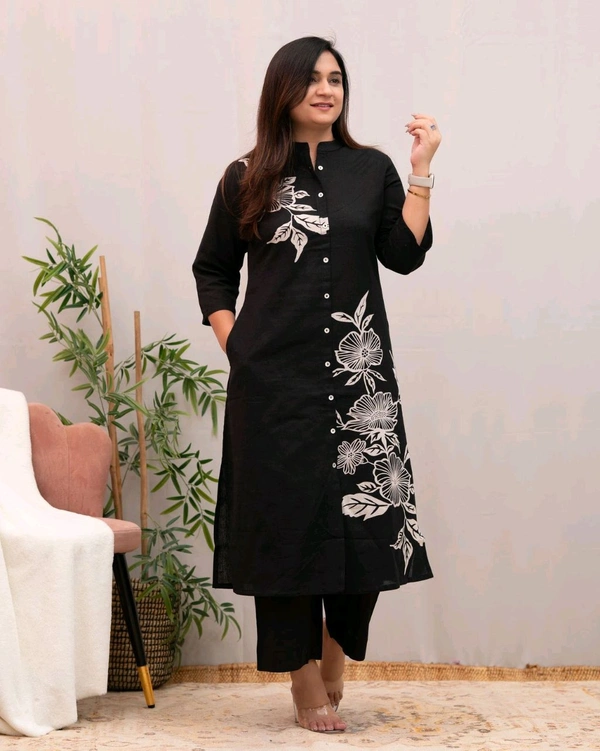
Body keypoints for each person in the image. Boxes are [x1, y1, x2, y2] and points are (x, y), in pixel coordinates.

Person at [192, 36, 441, 734]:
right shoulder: (246, 176)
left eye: (336, 79)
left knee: (368, 526)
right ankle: (303, 681)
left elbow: (403, 254)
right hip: (274, 387)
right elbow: (213, 269)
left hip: (359, 383)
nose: (327, 90)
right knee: (285, 528)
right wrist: (237, 346)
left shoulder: (371, 169)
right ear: (284, 90)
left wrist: (421, 171)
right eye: (312, 79)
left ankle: (335, 656)